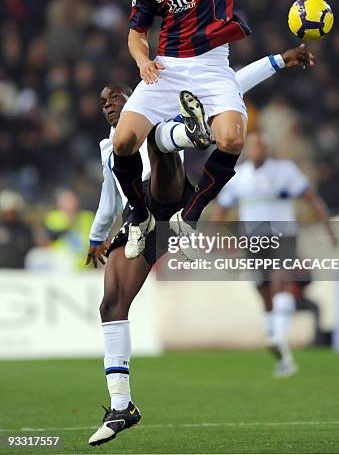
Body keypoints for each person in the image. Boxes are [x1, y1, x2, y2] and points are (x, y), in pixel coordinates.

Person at [87, 46, 313, 446]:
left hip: (167, 195)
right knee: (112, 303)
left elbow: (234, 82)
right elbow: (109, 200)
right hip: (137, 219)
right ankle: (122, 405)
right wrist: (94, 238)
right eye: (103, 102)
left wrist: (280, 60)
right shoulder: (110, 147)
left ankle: (193, 133)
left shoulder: (155, 97)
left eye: (115, 97)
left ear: (133, 95)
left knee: (156, 140)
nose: (108, 105)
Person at [111, 0, 274, 260]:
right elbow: (136, 34)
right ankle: (139, 215)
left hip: (211, 65)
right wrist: (142, 62)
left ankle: (193, 211)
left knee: (233, 138)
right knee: (123, 140)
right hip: (165, 67)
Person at [213, 131, 337, 378]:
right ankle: (283, 355)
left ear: (267, 149)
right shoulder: (240, 176)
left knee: (281, 281)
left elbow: (311, 198)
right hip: (253, 240)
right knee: (263, 291)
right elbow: (222, 207)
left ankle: (278, 336)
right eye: (252, 147)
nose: (256, 150)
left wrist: (329, 228)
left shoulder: (285, 171)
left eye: (260, 146)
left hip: (283, 236)